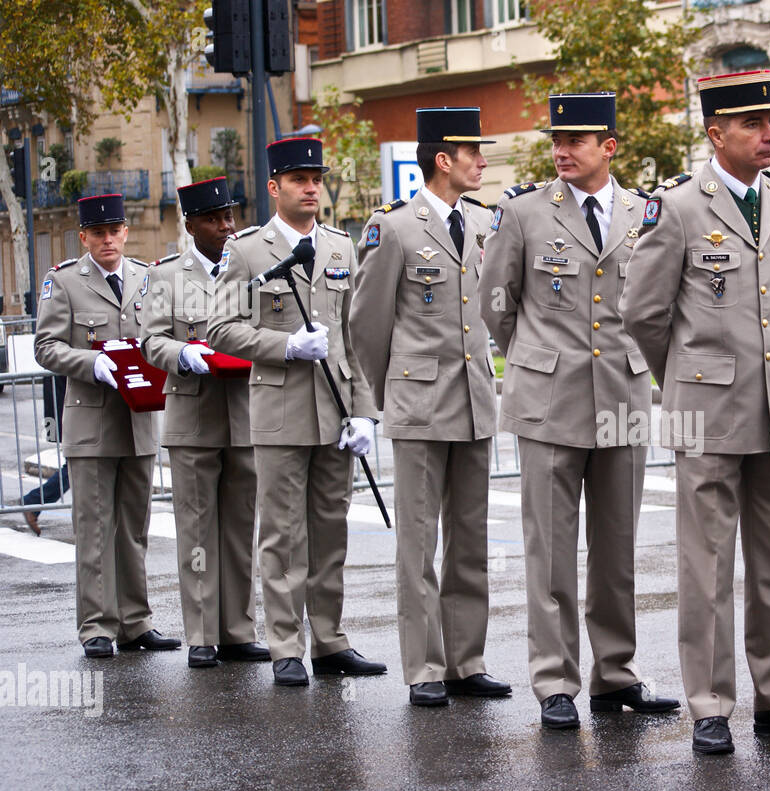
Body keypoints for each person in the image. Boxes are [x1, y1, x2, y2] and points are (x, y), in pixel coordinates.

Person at [620, 71, 770, 755]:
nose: (768, 134)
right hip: (707, 412)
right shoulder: (679, 207)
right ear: (717, 134)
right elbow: (644, 313)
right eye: (752, 124)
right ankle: (711, 705)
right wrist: (685, 378)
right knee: (708, 566)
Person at [479, 92, 678, 728]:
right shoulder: (523, 212)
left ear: (609, 147)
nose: (562, 151)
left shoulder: (647, 213)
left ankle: (615, 675)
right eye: (556, 141)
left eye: (577, 141)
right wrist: (536, 360)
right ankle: (555, 681)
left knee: (618, 550)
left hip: (621, 394)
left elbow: (654, 302)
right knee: (551, 552)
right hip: (548, 402)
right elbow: (496, 302)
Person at [209, 137, 387, 687]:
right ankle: (287, 645)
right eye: (298, 180)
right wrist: (283, 346)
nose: (311, 188)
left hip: (334, 410)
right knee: (283, 534)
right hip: (281, 410)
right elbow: (221, 328)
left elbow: (354, 337)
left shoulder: (339, 246)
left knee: (331, 530)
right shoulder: (247, 251)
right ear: (274, 187)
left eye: (316, 179)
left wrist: (365, 413)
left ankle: (331, 640)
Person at [351, 107, 510, 707]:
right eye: (473, 151)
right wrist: (384, 397)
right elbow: (366, 324)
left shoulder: (483, 223)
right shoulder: (393, 228)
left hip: (473, 403)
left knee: (469, 539)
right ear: (443, 159)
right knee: (417, 544)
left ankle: (466, 661)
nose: (483, 161)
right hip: (419, 405)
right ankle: (423, 667)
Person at [33, 194, 178, 657]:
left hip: (137, 420)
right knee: (94, 528)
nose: (108, 240)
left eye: (114, 231)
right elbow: (46, 346)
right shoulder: (64, 282)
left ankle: (135, 622)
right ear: (84, 237)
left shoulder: (144, 276)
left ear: (125, 232)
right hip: (92, 421)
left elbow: (157, 335)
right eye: (98, 233)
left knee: (134, 528)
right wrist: (91, 363)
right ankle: (96, 625)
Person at [141, 177, 269, 669]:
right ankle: (200, 633)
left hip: (243, 413)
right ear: (190, 224)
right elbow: (151, 341)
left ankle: (238, 629)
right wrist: (183, 353)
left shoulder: (250, 267)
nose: (227, 226)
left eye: (230, 216)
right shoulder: (167, 277)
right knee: (196, 530)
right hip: (193, 414)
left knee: (240, 528)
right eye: (215, 219)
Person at [17, 375, 69, 536]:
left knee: (80, 466)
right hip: (71, 410)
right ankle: (34, 501)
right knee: (77, 465)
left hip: (70, 407)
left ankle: (34, 501)